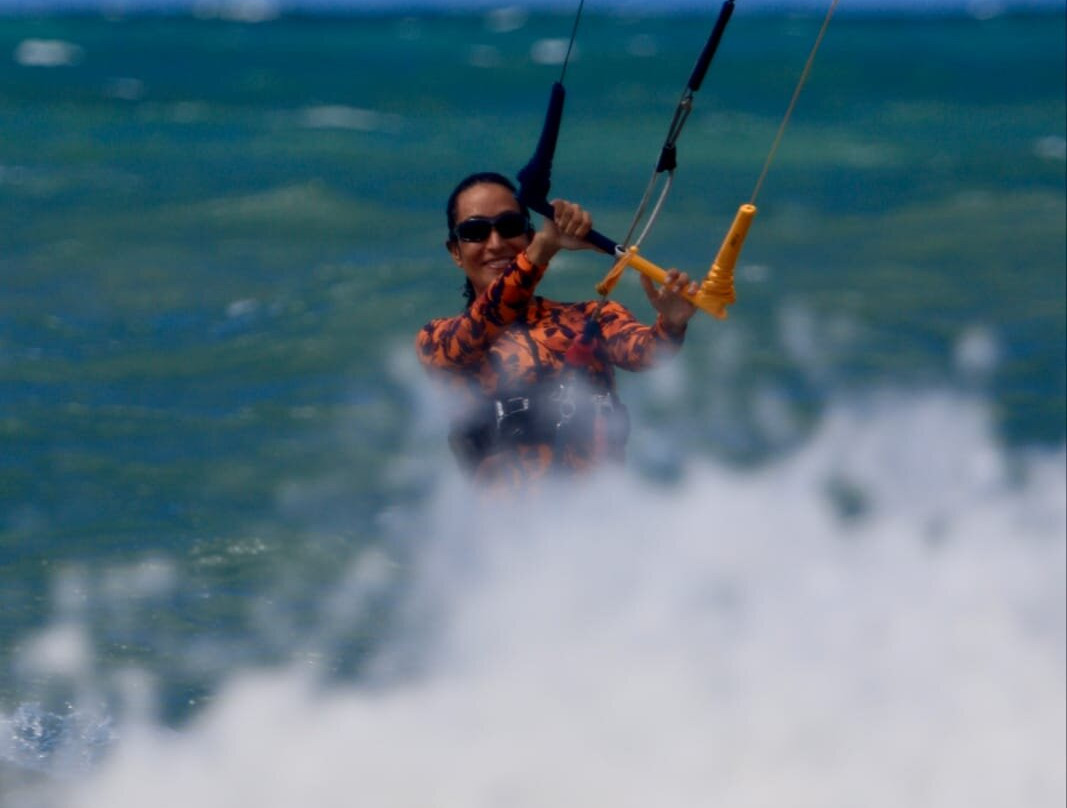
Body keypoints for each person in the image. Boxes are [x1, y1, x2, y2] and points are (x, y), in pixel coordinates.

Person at [415, 171, 700, 486]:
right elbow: (478, 328)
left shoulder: (592, 317)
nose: (495, 244)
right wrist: (542, 250)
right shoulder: (438, 340)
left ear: (528, 235)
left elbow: (646, 354)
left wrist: (672, 323)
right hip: (507, 530)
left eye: (510, 227)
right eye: (475, 232)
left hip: (601, 524)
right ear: (455, 251)